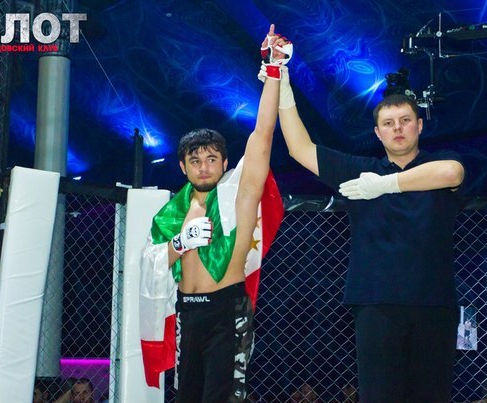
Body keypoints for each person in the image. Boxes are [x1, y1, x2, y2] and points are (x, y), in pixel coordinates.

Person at [272, 30, 466, 402]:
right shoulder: (359, 171)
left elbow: (451, 174)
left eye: (405, 120)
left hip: (433, 301)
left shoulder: (439, 163)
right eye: (389, 123)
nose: (398, 128)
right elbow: (299, 148)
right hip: (375, 302)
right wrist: (281, 85)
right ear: (378, 133)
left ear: (419, 125)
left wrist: (386, 185)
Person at [140, 24, 287, 402]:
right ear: (182, 167)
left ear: (224, 164)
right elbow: (151, 263)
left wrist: (273, 70)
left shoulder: (239, 198)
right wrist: (179, 242)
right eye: (195, 160)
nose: (203, 167)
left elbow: (263, 135)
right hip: (187, 312)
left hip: (227, 310)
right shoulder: (171, 215)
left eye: (211, 159)